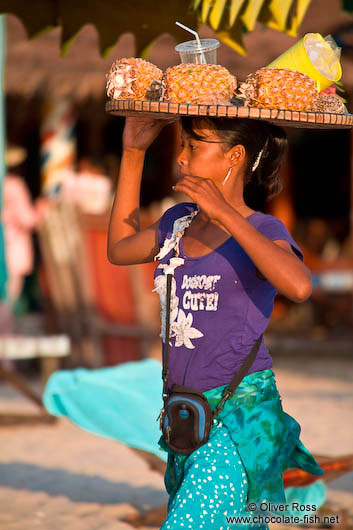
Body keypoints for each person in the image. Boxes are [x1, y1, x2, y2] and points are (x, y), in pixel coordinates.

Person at [107, 116, 324, 529]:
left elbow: (298, 286)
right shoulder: (178, 222)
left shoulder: (262, 228)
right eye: (182, 145)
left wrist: (226, 213)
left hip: (239, 419)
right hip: (185, 414)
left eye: (195, 145)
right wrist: (134, 153)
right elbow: (119, 248)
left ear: (235, 156)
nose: (182, 157)